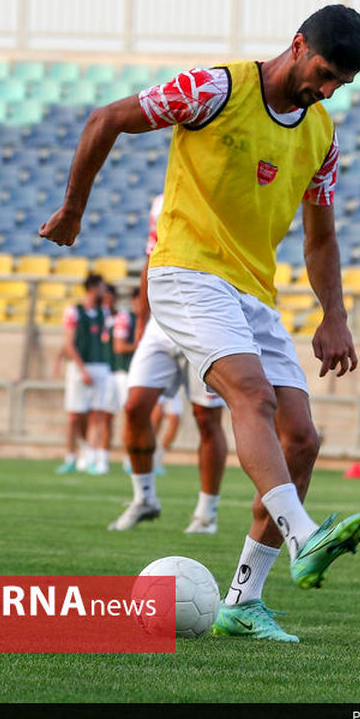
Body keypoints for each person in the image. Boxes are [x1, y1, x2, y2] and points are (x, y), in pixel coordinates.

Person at [40, 5, 360, 642]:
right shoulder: (215, 89)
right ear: (298, 45)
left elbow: (321, 238)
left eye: (341, 84)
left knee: (302, 438)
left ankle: (243, 601)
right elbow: (107, 118)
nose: (327, 90)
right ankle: (305, 535)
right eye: (325, 73)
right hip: (185, 272)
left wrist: (335, 314)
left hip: (254, 292)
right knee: (252, 394)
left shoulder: (321, 136)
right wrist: (73, 208)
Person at [108, 192, 230, 536]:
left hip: (206, 319)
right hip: (161, 323)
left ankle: (206, 513)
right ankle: (144, 497)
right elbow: (152, 255)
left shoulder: (222, 193)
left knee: (207, 418)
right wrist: (143, 315)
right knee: (134, 408)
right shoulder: (161, 202)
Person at [55, 274, 113, 476]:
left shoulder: (104, 312)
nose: (105, 292)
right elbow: (69, 343)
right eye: (102, 287)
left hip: (101, 366)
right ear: (93, 288)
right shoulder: (74, 311)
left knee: (96, 415)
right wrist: (81, 368)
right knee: (74, 416)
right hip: (80, 367)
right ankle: (70, 456)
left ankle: (89, 458)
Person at [107, 285, 139, 473]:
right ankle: (125, 456)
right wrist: (140, 346)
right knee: (127, 416)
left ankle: (136, 455)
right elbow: (119, 347)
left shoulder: (153, 318)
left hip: (138, 376)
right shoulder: (125, 317)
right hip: (124, 374)